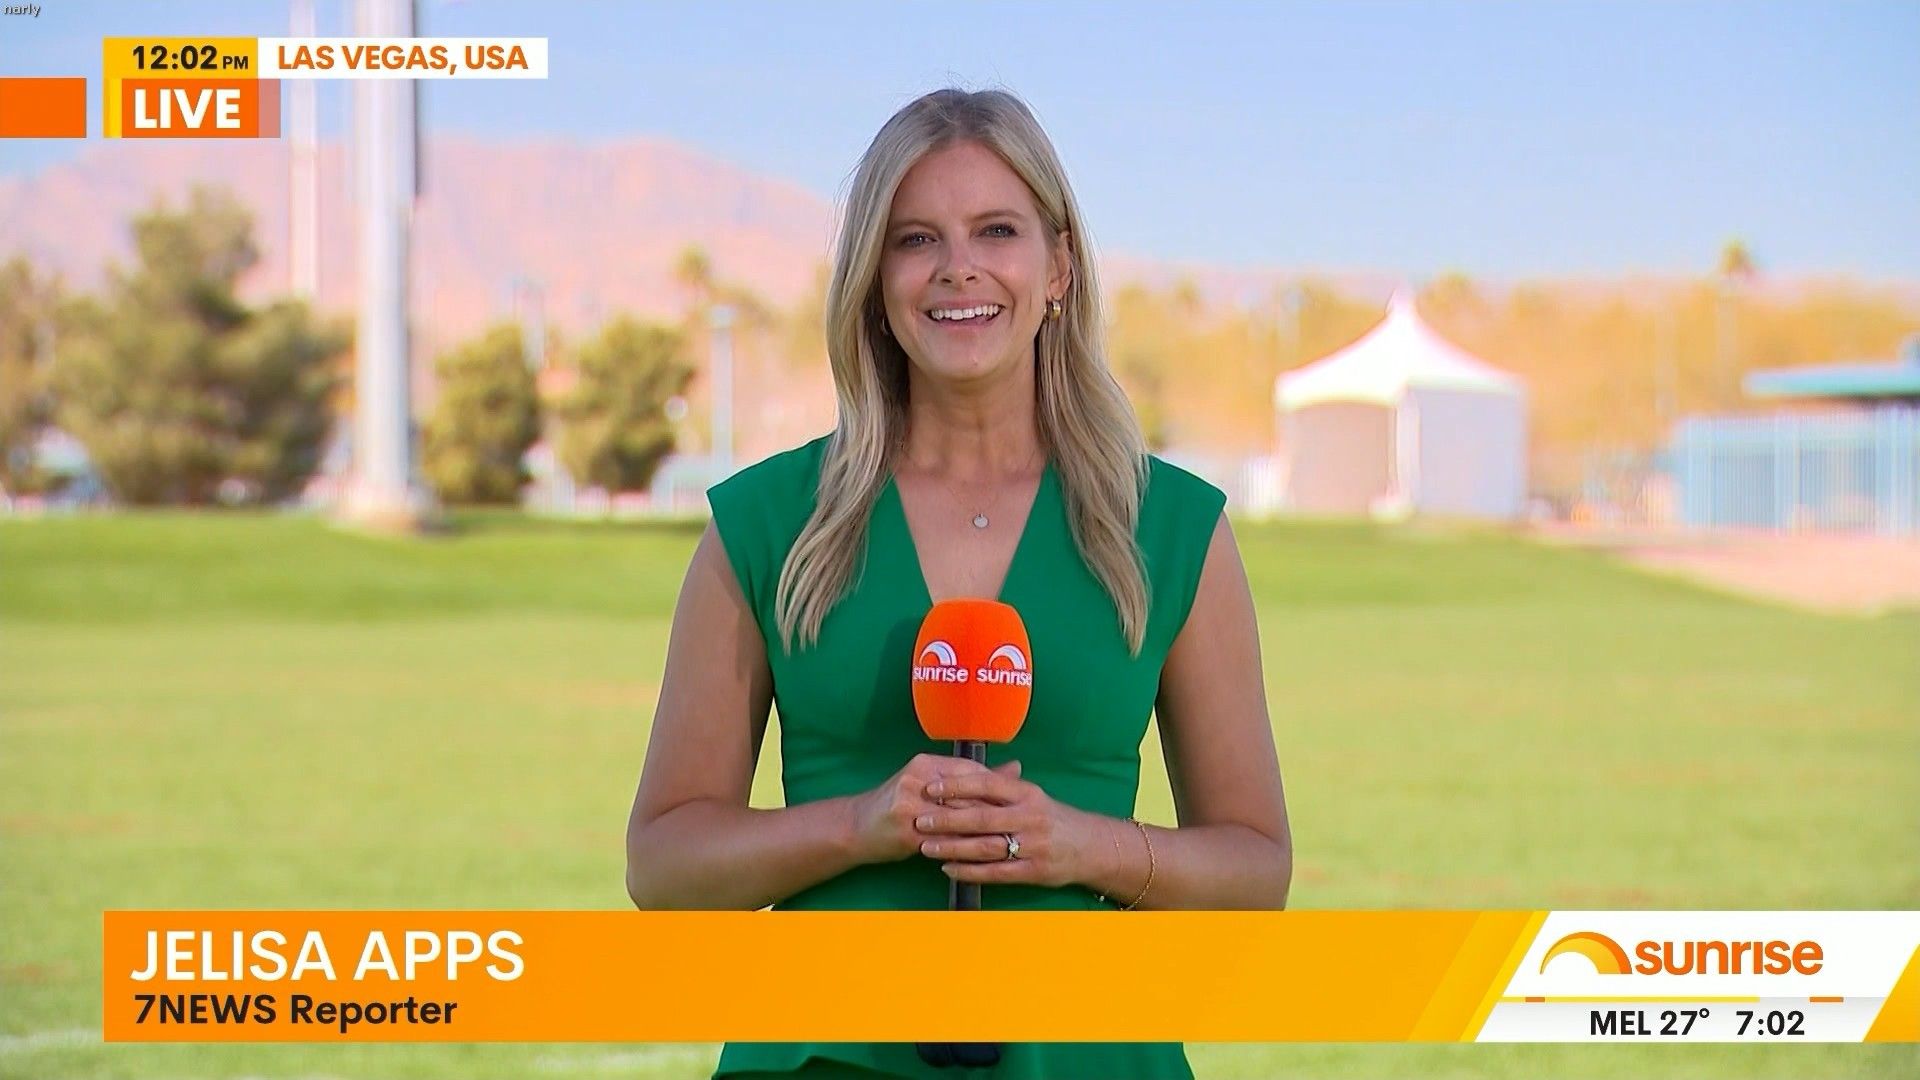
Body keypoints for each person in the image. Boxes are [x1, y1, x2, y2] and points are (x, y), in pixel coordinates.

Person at [625, 87, 1292, 1080]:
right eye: (915, 240)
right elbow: (663, 866)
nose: (957, 267)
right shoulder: (765, 525)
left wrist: (1081, 846)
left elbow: (1256, 872)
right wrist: (858, 827)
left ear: (1058, 266)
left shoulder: (1173, 529)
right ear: (874, 280)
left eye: (997, 231)